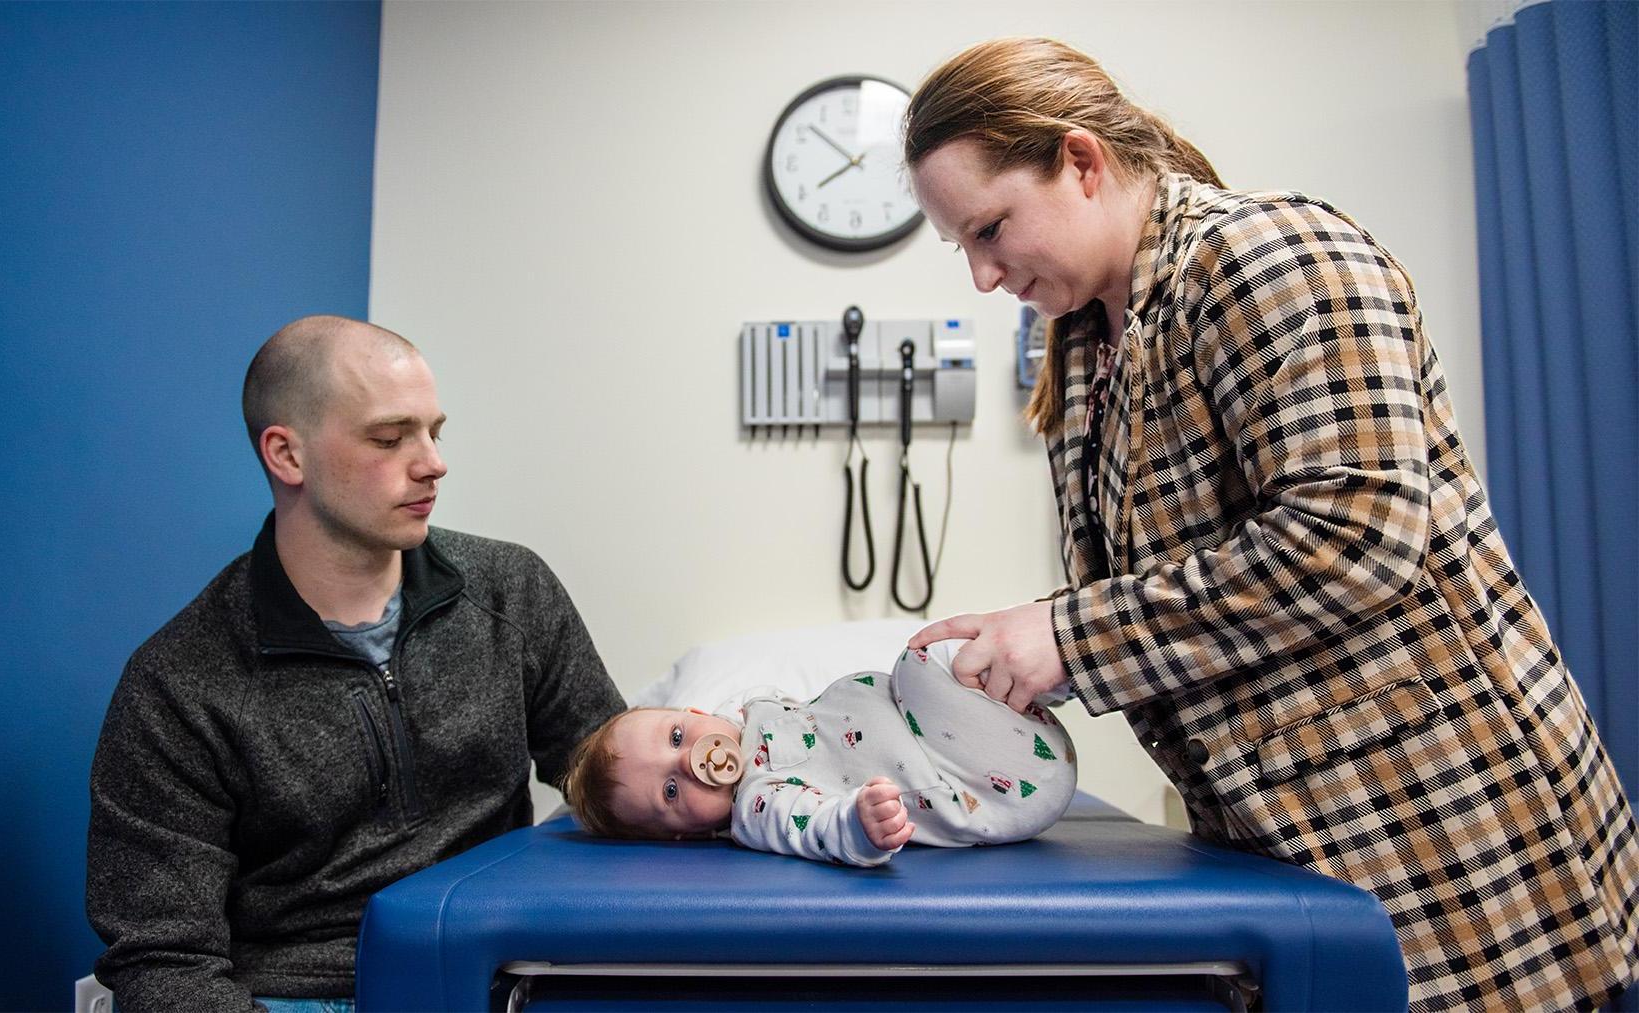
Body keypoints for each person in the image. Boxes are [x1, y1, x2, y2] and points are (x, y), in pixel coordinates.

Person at [900, 37, 1636, 1011]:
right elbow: (1177, 574)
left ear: (1080, 162)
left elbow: (1354, 537)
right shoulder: (1085, 340)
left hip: (1448, 829)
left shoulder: (1266, 255)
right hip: (1293, 837)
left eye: (992, 229)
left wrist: (1068, 637)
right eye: (964, 248)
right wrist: (1030, 651)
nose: (984, 278)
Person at [86, 316, 626, 1012]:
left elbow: (606, 774)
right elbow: (164, 960)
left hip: (495, 974)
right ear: (287, 455)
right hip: (297, 994)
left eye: (435, 430)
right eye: (390, 437)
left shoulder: (509, 592)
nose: (433, 461)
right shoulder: (180, 682)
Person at [564, 641, 1077, 866]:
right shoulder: (758, 804)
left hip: (997, 735)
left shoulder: (752, 716)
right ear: (683, 835)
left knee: (946, 657)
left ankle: (1058, 663)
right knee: (924, 659)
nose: (687, 762)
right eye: (671, 791)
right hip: (982, 787)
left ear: (693, 710)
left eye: (676, 737)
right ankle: (1068, 666)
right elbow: (813, 827)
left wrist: (732, 718)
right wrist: (859, 826)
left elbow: (748, 701)